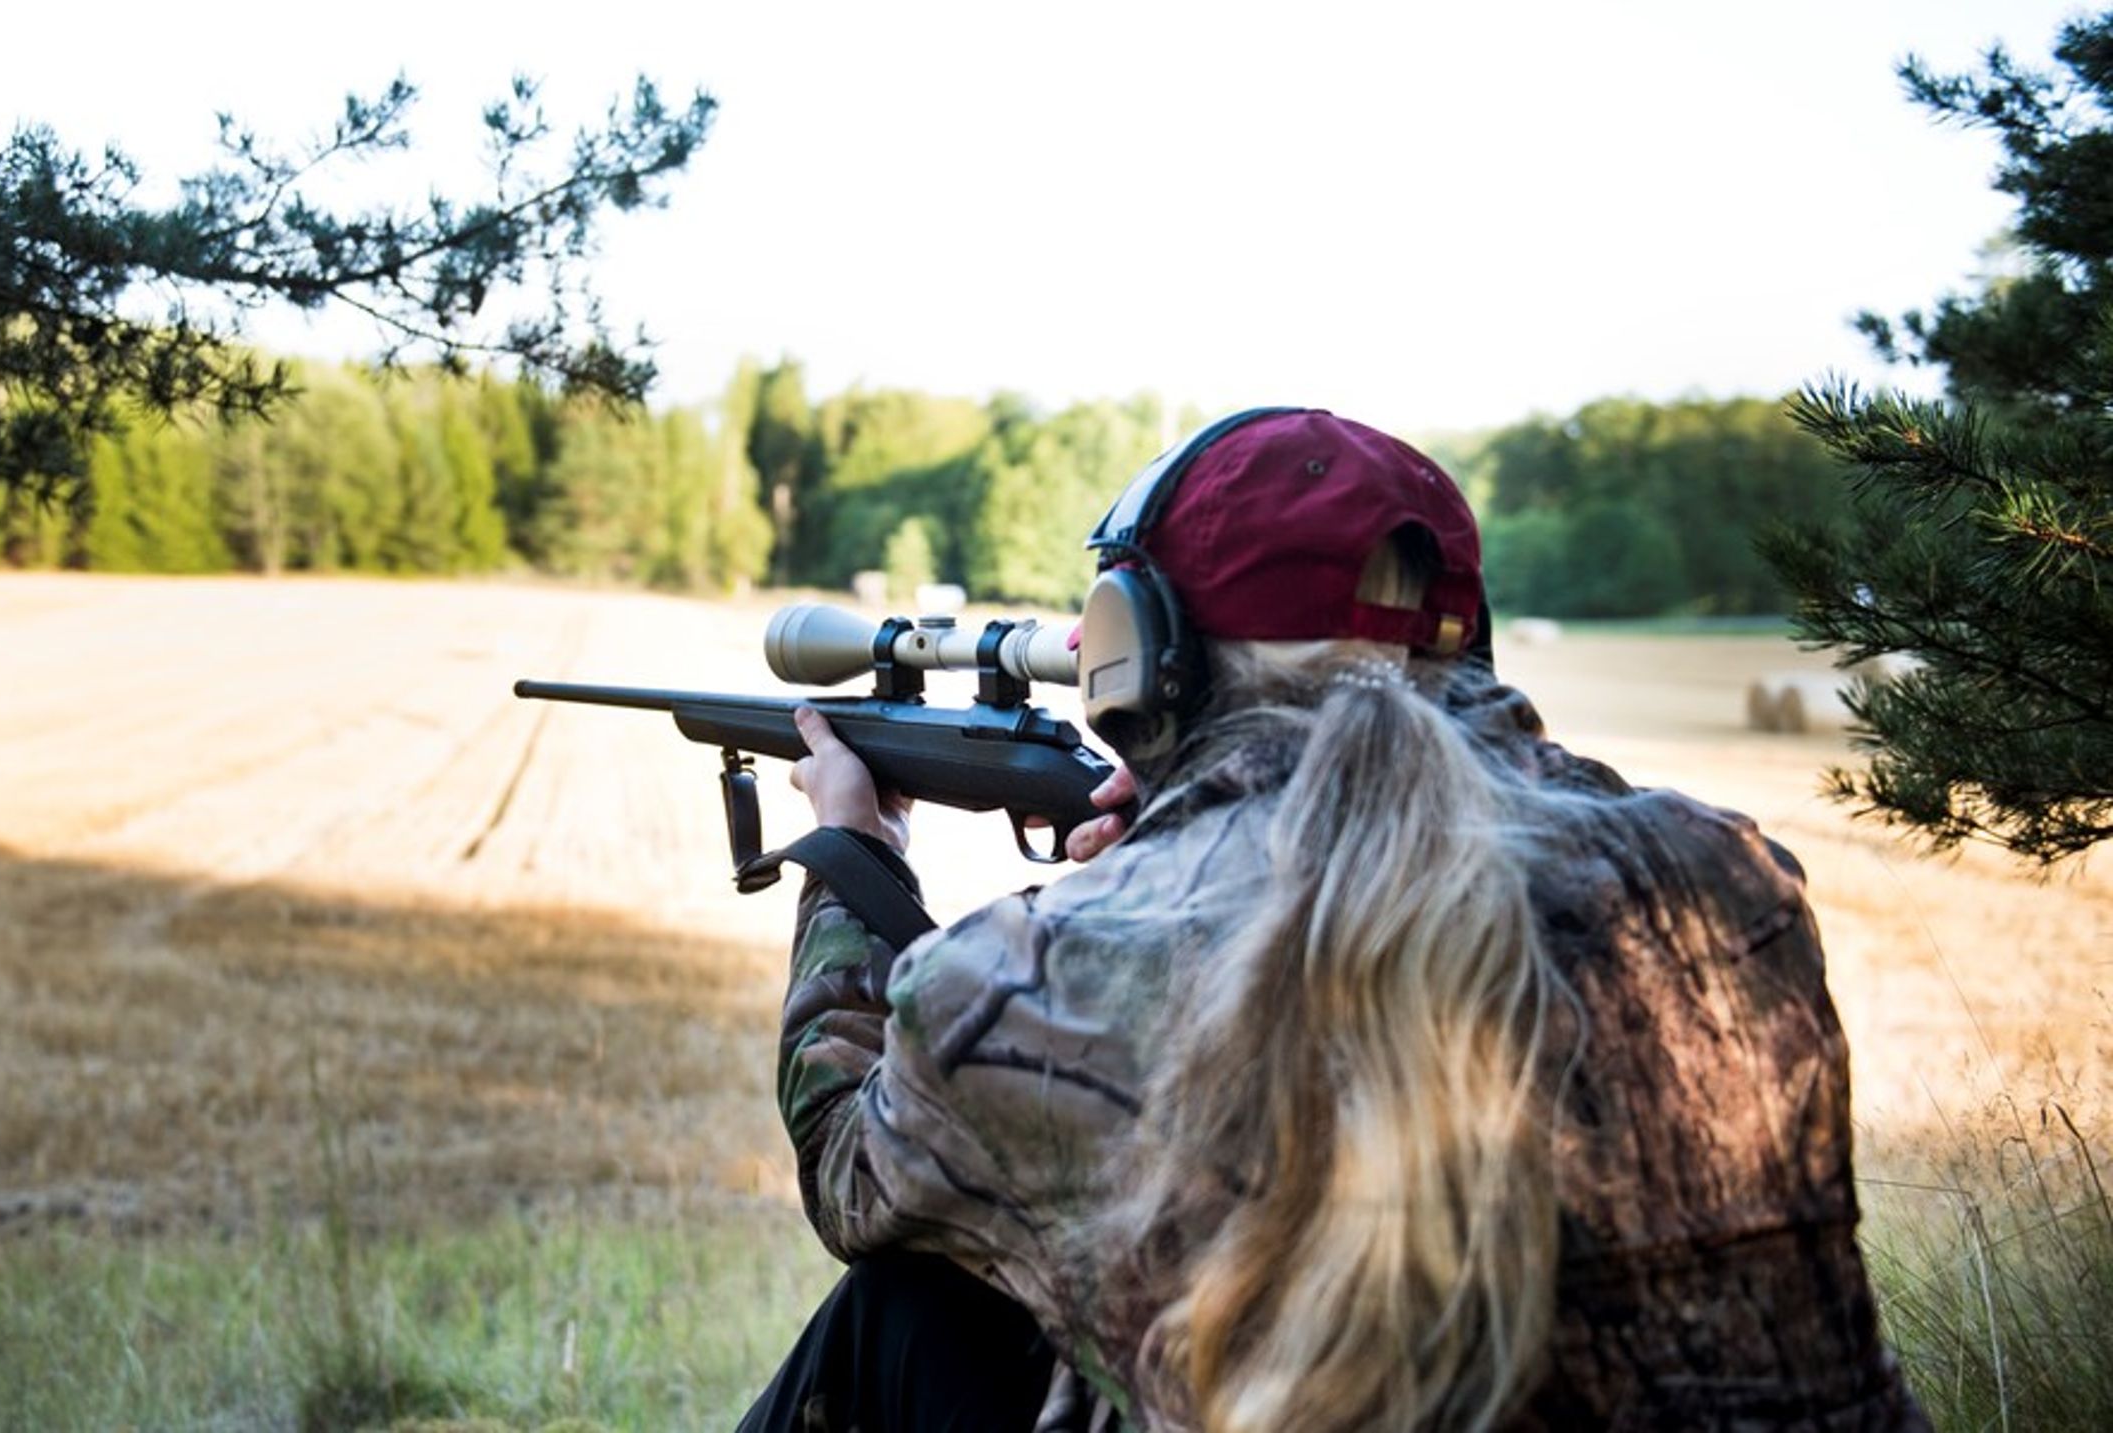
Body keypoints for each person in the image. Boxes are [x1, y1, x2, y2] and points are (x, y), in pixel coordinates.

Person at [738, 408, 1924, 1432]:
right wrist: (1179, 837)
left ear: (1138, 650)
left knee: (907, 1300)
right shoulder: (1727, 876)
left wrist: (853, 851)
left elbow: (854, 1172)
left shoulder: (1043, 966)